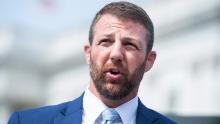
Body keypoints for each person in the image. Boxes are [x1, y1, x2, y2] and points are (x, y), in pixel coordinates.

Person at [7, 1, 176, 124]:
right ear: (88, 53)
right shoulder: (25, 121)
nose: (116, 54)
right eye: (106, 42)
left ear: (149, 60)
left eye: (129, 44)